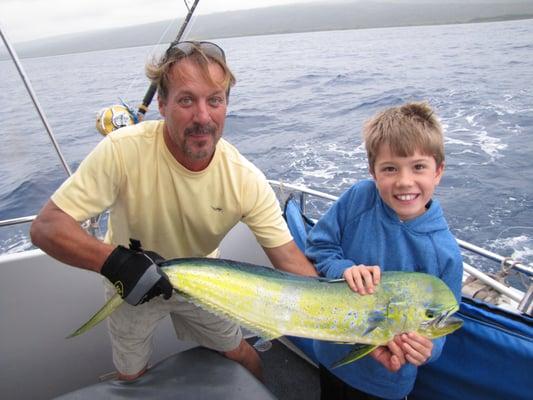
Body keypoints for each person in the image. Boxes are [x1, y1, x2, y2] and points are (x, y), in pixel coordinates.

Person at [30, 41, 317, 382]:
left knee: (243, 355)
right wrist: (118, 264)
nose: (202, 117)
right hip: (128, 282)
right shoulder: (122, 150)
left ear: (226, 105)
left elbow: (290, 261)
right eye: (186, 100)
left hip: (204, 282)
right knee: (131, 375)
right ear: (162, 105)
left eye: (215, 100)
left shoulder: (246, 179)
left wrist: (356, 314)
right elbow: (47, 227)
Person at [305, 101, 463, 400]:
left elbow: (445, 322)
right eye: (390, 168)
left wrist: (425, 350)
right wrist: (344, 270)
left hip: (385, 383)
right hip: (329, 357)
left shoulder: (447, 255)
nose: (405, 181)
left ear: (438, 171)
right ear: (373, 172)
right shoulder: (358, 198)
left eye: (418, 167)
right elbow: (319, 245)